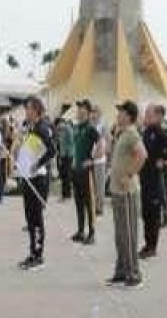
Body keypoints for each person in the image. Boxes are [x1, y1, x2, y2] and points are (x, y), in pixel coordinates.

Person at [108, 99, 148, 288]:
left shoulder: (132, 133)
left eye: (121, 112)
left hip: (127, 192)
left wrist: (130, 174)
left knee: (129, 233)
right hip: (117, 191)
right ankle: (122, 270)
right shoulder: (121, 133)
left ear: (128, 116)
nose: (118, 115)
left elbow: (143, 155)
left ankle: (134, 273)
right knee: (120, 234)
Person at [16, 96, 55, 270]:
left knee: (36, 217)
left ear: (37, 110)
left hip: (38, 179)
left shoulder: (42, 128)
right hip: (27, 178)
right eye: (26, 109)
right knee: (30, 218)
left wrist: (37, 165)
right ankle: (32, 252)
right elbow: (31, 150)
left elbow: (52, 151)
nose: (26, 112)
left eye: (29, 109)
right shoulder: (30, 128)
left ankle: (38, 255)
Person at [139, 103, 167, 259]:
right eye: (145, 114)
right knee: (146, 213)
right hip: (144, 177)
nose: (145, 116)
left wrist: (165, 161)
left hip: (155, 178)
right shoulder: (146, 132)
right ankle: (147, 244)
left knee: (153, 214)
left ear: (155, 116)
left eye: (148, 114)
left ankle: (152, 246)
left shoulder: (160, 132)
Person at [70, 99, 100, 245]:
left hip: (86, 171)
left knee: (89, 202)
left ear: (88, 113)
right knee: (78, 201)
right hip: (76, 170)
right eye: (79, 110)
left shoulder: (90, 128)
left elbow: (102, 144)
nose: (80, 113)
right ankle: (80, 230)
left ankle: (92, 232)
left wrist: (93, 160)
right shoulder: (76, 127)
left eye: (83, 110)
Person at [91, 105, 108, 217]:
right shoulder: (91, 125)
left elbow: (106, 141)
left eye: (96, 112)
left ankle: (100, 207)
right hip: (91, 159)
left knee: (100, 184)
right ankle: (93, 205)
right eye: (93, 112)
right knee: (93, 185)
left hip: (100, 160)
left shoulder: (103, 126)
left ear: (100, 113)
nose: (93, 114)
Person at [56, 105, 75, 201]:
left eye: (59, 124)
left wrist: (66, 153)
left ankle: (67, 195)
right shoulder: (61, 130)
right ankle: (64, 194)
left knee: (66, 175)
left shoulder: (67, 128)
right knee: (63, 175)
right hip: (63, 155)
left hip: (68, 156)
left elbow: (71, 142)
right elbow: (60, 143)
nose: (58, 126)